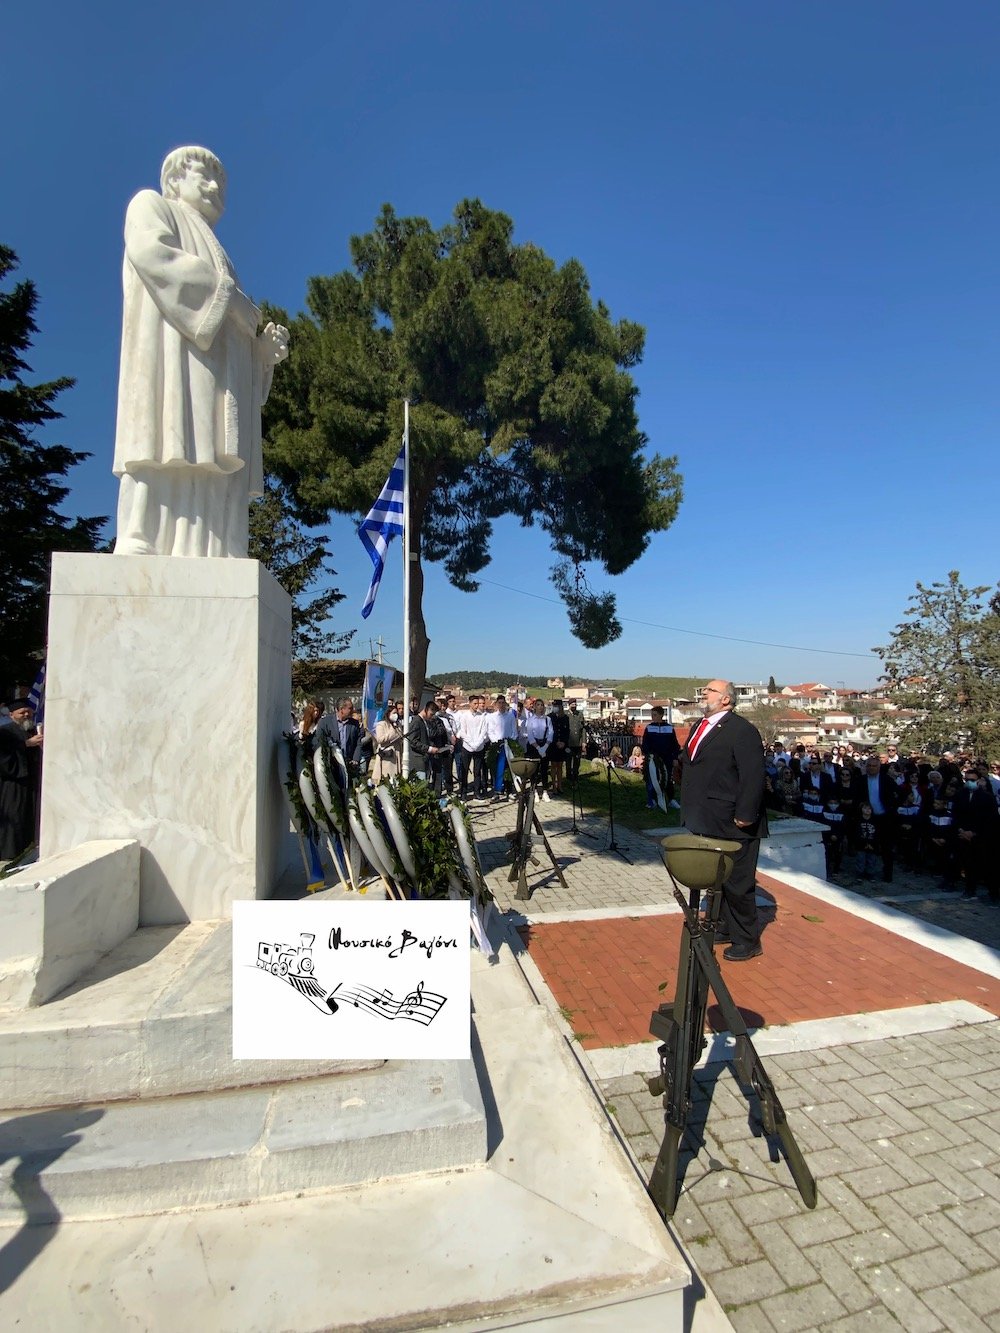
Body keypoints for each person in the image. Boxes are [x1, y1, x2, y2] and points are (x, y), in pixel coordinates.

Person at [113, 146, 289, 557]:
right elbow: (151, 255)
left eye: (222, 184)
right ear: (175, 178)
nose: (216, 188)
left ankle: (213, 546)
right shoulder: (151, 205)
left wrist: (261, 355)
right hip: (171, 360)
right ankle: (141, 533)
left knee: (211, 455)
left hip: (213, 376)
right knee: (161, 439)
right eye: (205, 177)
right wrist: (231, 301)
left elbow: (233, 329)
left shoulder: (220, 251)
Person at [676, 680, 767, 961]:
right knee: (719, 881)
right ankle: (726, 926)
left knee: (738, 883)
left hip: (733, 820)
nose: (704, 693)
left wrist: (745, 815)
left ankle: (747, 940)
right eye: (704, 689)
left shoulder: (742, 731)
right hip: (707, 817)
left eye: (710, 690)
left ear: (726, 699)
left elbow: (753, 776)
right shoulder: (699, 726)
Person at [0, 699, 42, 865]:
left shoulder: (32, 731)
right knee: (14, 817)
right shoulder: (4, 733)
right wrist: (25, 745)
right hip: (13, 785)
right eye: (22, 712)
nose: (26, 715)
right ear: (12, 715)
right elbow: (4, 761)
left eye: (28, 712)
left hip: (31, 784)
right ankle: (9, 854)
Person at [641, 705, 681, 809]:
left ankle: (671, 799)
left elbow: (675, 745)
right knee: (653, 779)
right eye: (652, 715)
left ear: (661, 715)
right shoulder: (649, 728)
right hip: (653, 759)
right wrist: (648, 754)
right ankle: (652, 800)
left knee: (667, 779)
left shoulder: (669, 728)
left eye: (655, 715)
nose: (652, 717)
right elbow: (645, 743)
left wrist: (675, 758)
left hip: (667, 758)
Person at [370, 701, 404, 785]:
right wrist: (392, 733)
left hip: (397, 753)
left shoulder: (397, 724)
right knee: (388, 779)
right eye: (394, 713)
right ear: (388, 714)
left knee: (397, 779)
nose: (396, 715)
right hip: (387, 756)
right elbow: (380, 739)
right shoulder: (381, 724)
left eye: (396, 713)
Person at [565, 698, 586, 786]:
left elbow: (583, 729)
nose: (574, 705)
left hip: (578, 742)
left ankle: (575, 775)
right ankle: (569, 776)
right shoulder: (566, 715)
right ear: (569, 705)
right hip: (568, 743)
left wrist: (584, 741)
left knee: (577, 760)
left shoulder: (579, 714)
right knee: (568, 760)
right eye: (572, 704)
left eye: (575, 704)